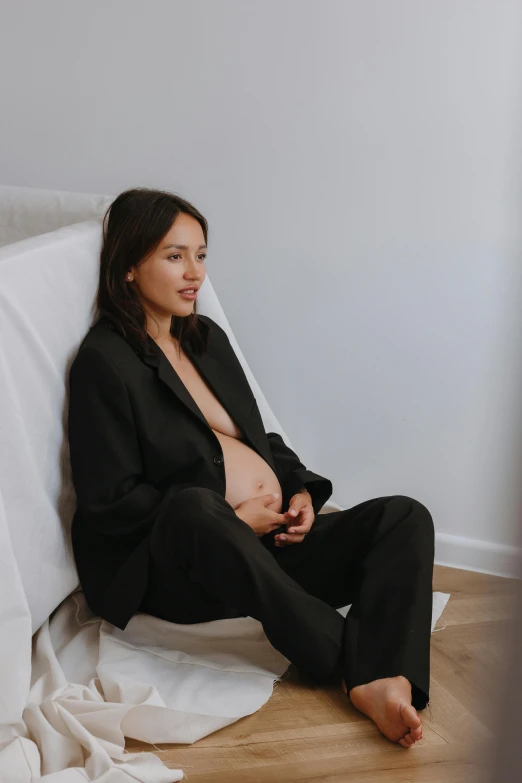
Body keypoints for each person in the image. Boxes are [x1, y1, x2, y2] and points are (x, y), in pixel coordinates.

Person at [68, 187, 435, 749]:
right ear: (127, 269)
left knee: (404, 517)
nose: (195, 273)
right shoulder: (104, 362)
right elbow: (108, 500)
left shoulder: (205, 340)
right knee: (194, 506)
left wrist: (299, 492)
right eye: (174, 255)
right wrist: (232, 519)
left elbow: (259, 438)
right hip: (182, 569)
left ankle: (381, 677)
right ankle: (342, 653)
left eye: (201, 254)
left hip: (264, 550)